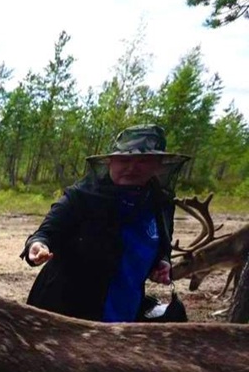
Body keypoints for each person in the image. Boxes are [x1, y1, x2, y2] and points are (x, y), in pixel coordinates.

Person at [22, 124, 189, 322]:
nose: (132, 167)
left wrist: (161, 262)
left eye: (143, 161)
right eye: (124, 160)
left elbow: (161, 245)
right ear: (110, 162)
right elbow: (45, 233)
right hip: (66, 311)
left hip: (125, 306)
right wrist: (37, 245)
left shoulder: (160, 203)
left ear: (158, 165)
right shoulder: (80, 197)